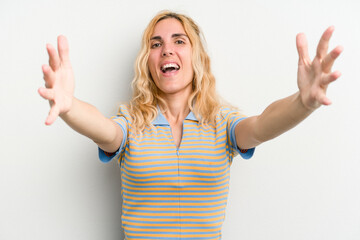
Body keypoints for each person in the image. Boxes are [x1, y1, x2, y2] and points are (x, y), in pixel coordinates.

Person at [38, 10, 343, 240]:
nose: (167, 49)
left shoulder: (222, 122)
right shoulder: (132, 122)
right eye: (156, 44)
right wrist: (69, 106)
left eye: (179, 41)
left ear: (196, 56)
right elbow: (103, 129)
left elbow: (263, 124)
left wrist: (303, 103)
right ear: (148, 61)